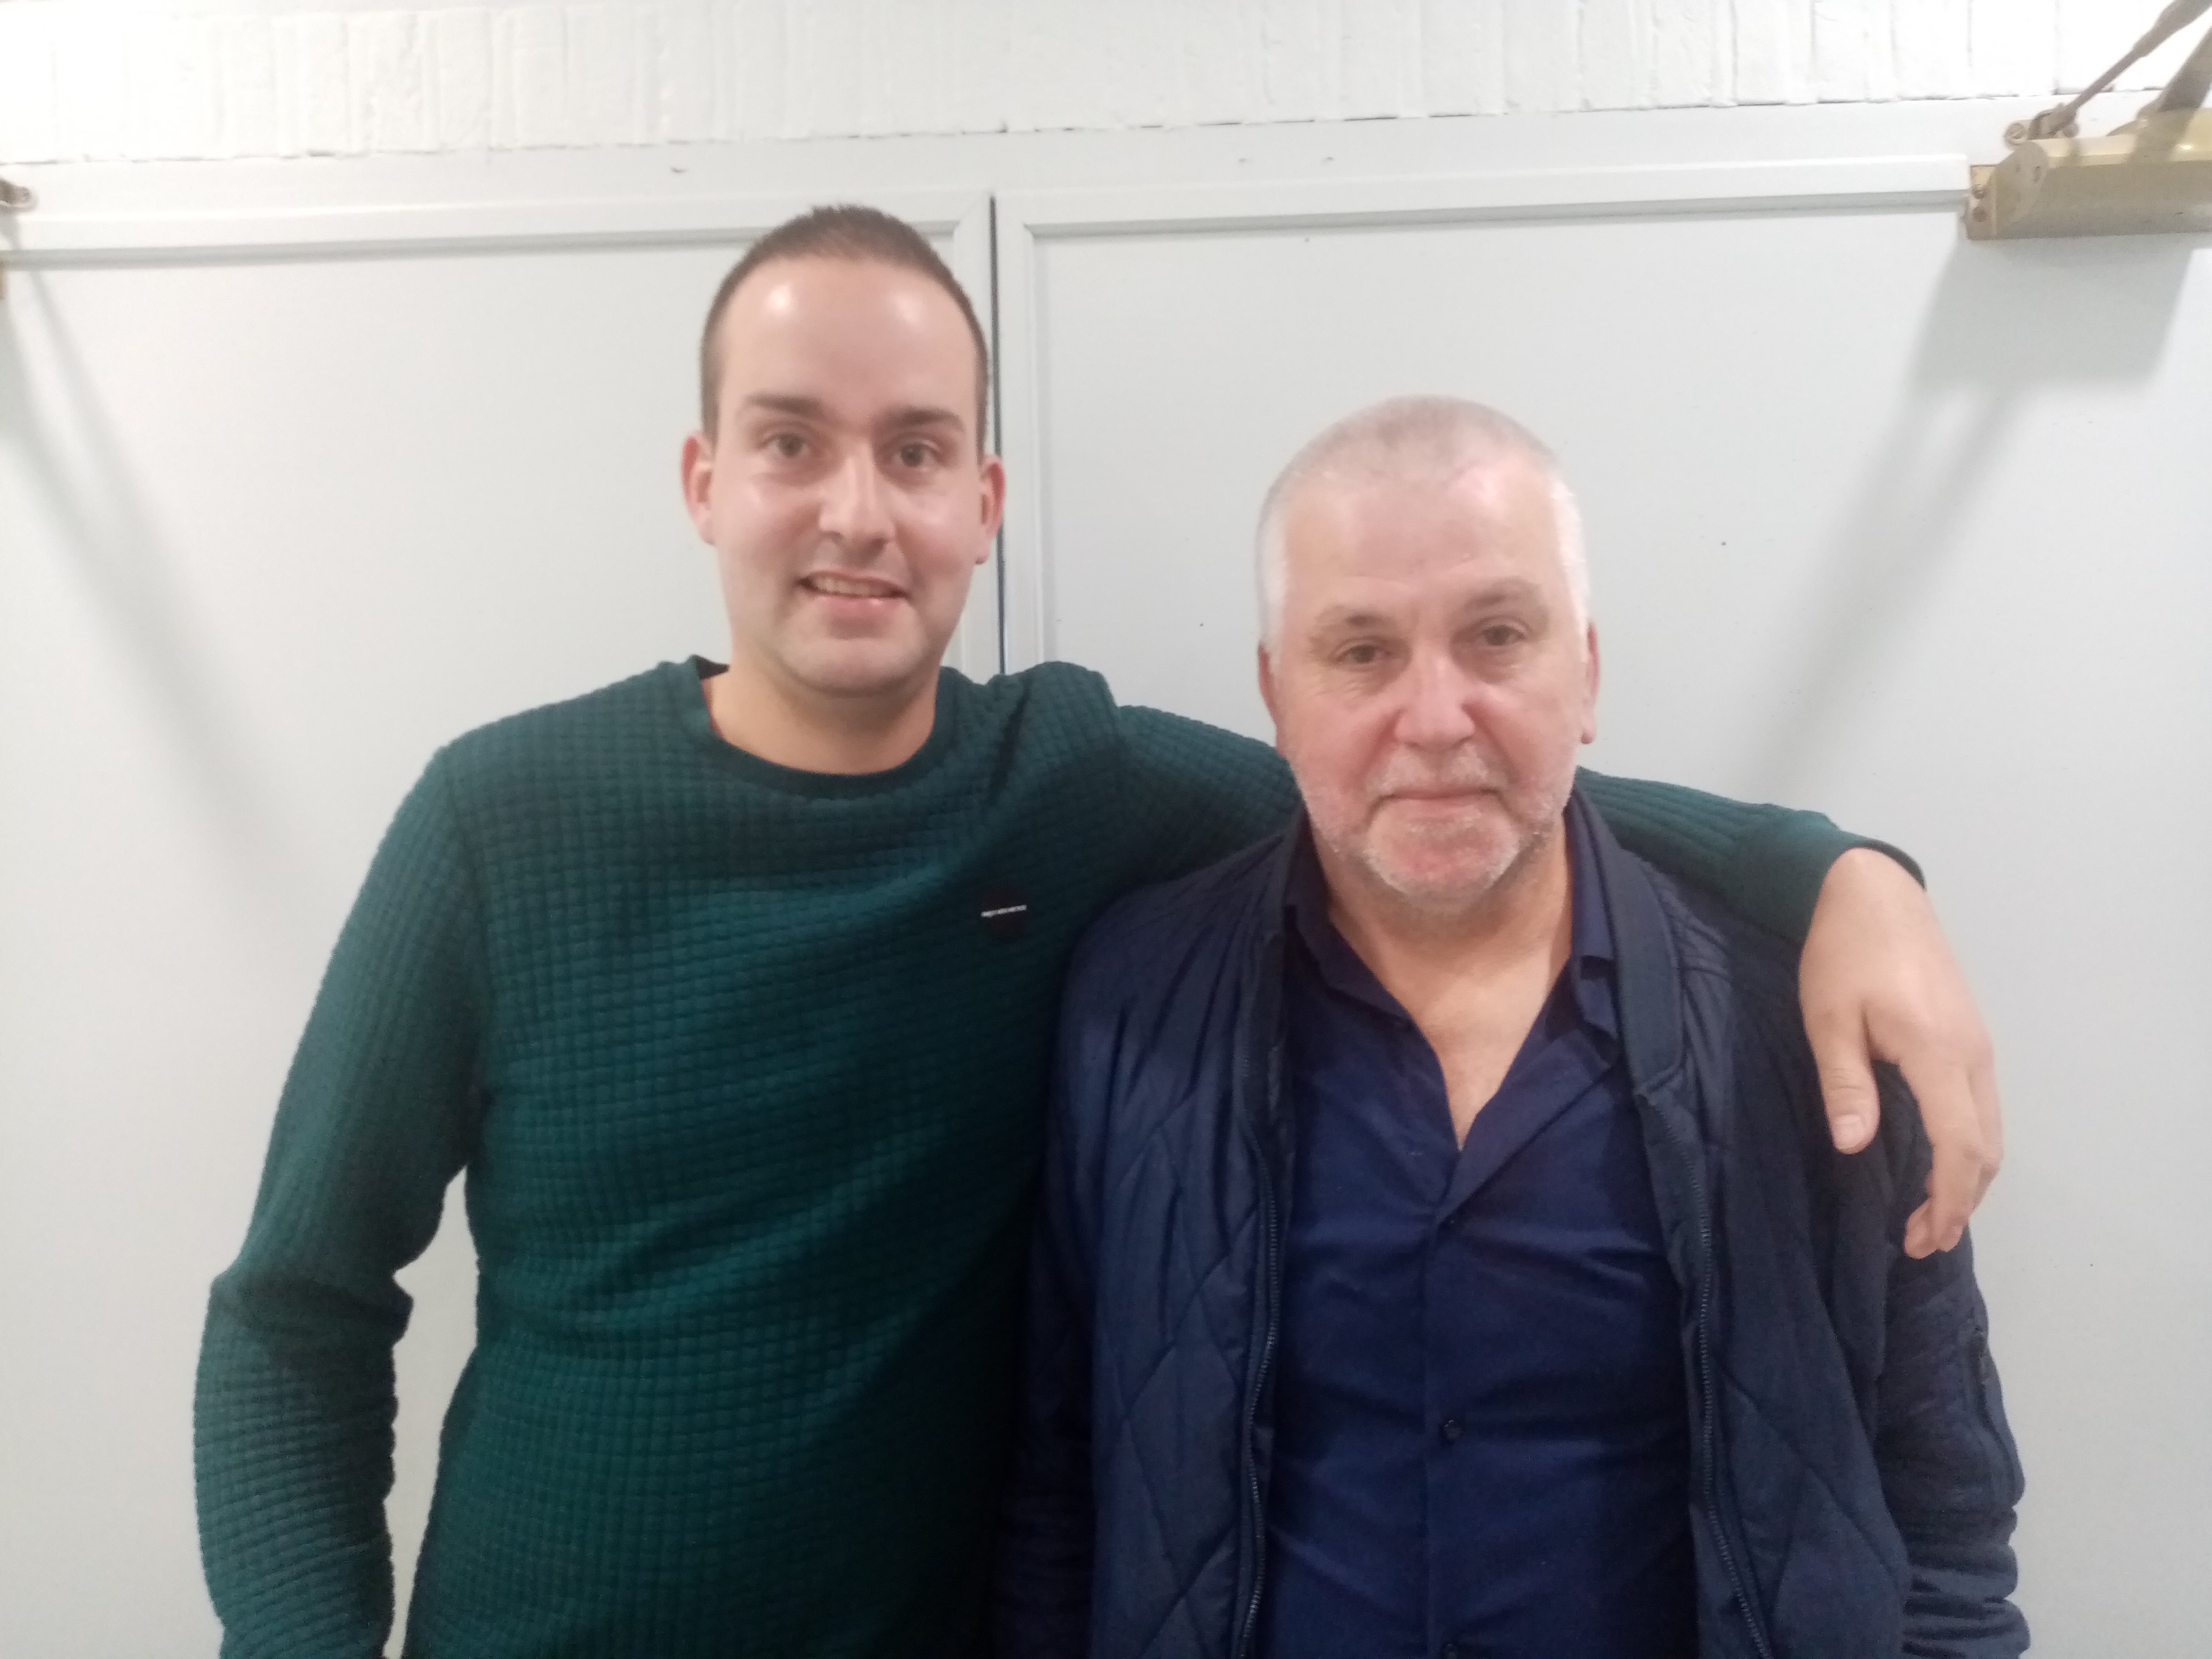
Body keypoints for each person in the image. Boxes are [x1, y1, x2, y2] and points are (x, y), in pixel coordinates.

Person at [194, 210, 2002, 1659]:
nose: (855, 510)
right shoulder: (500, 822)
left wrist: (1837, 870)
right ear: (703, 479)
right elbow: (298, 1307)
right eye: (791, 442)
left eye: (916, 451)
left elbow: (1429, 787)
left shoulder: (1068, 788)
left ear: (983, 504)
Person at [994, 397, 2026, 1659]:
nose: (1434, 720)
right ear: (1275, 693)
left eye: (1495, 637)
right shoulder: (1134, 1005)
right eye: (1360, 651)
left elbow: (1945, 1515)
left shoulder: (1806, 1023)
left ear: (1583, 672)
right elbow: (1059, 1495)